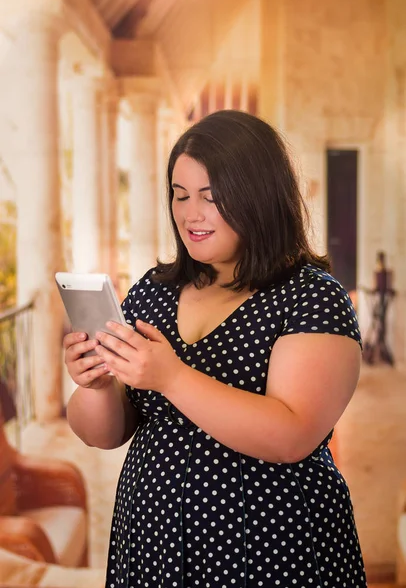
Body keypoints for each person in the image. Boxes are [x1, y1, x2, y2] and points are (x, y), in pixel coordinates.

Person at [64, 110, 367, 588]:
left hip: (273, 548)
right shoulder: (153, 291)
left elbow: (291, 436)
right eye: (180, 195)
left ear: (260, 196)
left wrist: (171, 377)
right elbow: (103, 434)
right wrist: (98, 385)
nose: (191, 214)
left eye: (211, 196)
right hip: (153, 543)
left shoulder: (312, 297)